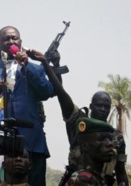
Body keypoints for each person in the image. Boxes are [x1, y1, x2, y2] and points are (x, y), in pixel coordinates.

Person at [26, 49, 129, 185]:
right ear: (91, 106)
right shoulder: (80, 123)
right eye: (99, 105)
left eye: (106, 106)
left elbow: (120, 171)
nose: (103, 109)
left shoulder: (117, 136)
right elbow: (62, 94)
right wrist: (48, 64)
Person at [0, 26, 55, 186]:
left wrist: (27, 65)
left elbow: (47, 92)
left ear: (21, 41)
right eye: (6, 39)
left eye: (14, 38)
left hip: (32, 144)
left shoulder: (35, 68)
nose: (11, 41)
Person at [65, 117, 115, 185]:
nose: (110, 144)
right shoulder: (83, 180)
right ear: (85, 146)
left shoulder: (98, 177)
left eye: (110, 139)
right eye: (101, 139)